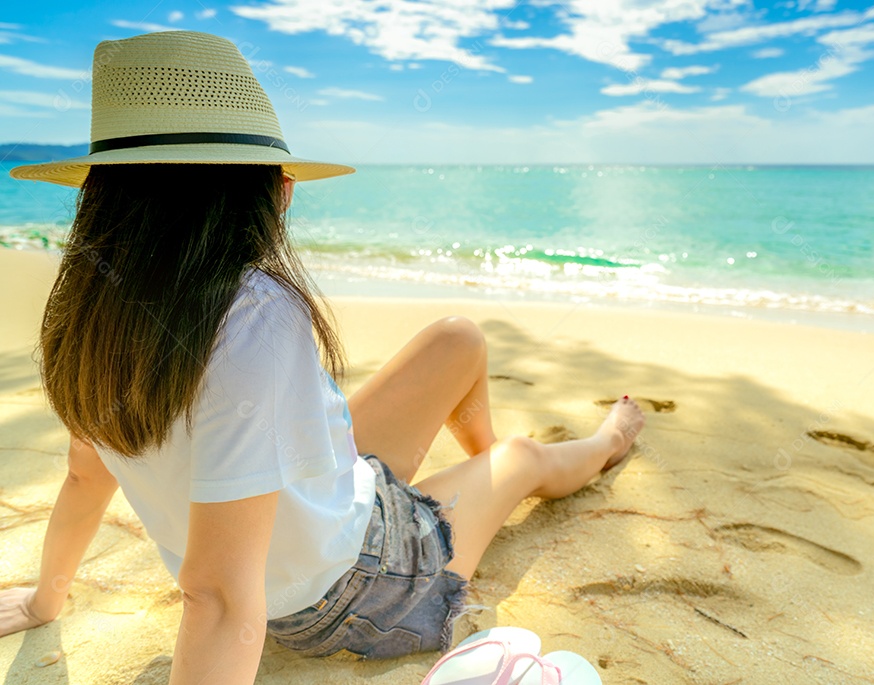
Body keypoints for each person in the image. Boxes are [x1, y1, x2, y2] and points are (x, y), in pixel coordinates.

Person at [0, 30, 644, 684]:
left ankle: (473, 482)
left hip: (315, 513)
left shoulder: (89, 312)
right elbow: (219, 597)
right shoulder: (256, 316)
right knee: (525, 458)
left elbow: (86, 476)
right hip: (355, 587)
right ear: (274, 191)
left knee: (458, 339)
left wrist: (44, 596)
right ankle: (596, 447)